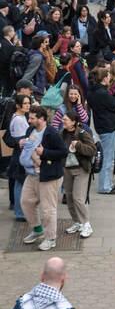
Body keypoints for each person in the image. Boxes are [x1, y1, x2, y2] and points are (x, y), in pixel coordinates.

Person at [20, 104, 68, 251]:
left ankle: (50, 238)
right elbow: (29, 143)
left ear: (41, 119)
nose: (29, 120)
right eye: (29, 117)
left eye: (32, 118)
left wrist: (45, 152)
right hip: (32, 175)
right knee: (26, 202)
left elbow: (63, 152)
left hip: (49, 176)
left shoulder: (51, 133)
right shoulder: (30, 129)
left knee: (48, 210)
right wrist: (22, 143)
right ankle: (37, 229)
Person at [60, 110, 96, 239]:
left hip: (81, 169)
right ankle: (77, 222)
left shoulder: (82, 133)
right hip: (67, 169)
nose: (63, 121)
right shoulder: (62, 133)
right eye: (63, 119)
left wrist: (79, 145)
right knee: (69, 198)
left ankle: (87, 224)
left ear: (73, 122)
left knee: (78, 198)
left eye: (65, 120)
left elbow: (92, 150)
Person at [88, 66, 115, 194]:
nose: (109, 78)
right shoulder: (102, 93)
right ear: (103, 78)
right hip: (109, 126)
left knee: (107, 156)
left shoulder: (92, 91)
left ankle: (108, 183)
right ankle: (104, 186)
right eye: (108, 76)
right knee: (107, 158)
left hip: (101, 125)